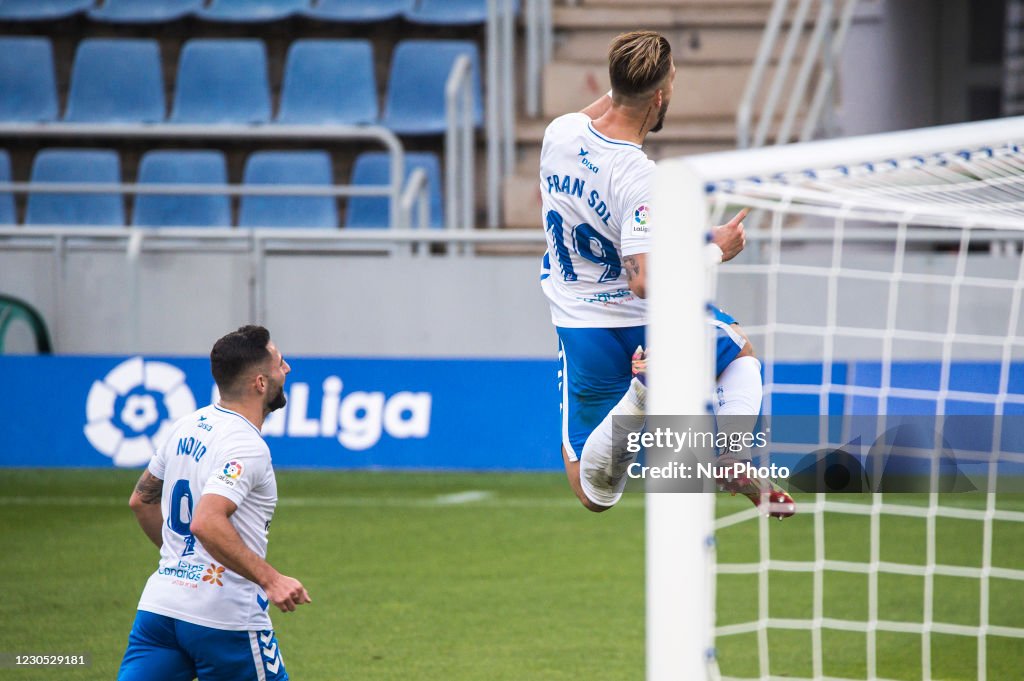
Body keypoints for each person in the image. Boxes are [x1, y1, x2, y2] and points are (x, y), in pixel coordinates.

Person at [539, 30, 795, 517]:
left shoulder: (561, 133)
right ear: (661, 96)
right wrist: (714, 251)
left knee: (593, 494)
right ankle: (729, 450)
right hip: (643, 318)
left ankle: (642, 395)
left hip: (581, 323)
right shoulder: (639, 176)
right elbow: (644, 281)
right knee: (738, 351)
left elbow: (611, 111)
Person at [118, 325, 310, 681]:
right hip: (223, 618)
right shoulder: (246, 446)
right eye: (280, 364)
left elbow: (141, 501)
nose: (287, 370)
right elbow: (206, 522)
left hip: (161, 608)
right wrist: (271, 580)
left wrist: (184, 559)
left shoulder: (187, 425)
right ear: (260, 383)